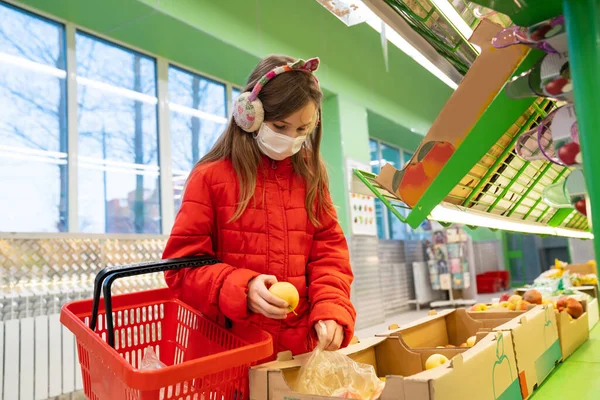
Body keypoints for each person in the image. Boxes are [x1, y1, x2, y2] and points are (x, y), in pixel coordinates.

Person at [162, 54, 356, 356]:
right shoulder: (211, 177)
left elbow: (329, 254)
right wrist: (242, 289)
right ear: (249, 114)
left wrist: (331, 308)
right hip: (229, 354)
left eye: (302, 130)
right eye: (280, 126)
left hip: (296, 353)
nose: (291, 139)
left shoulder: (311, 175)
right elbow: (182, 269)